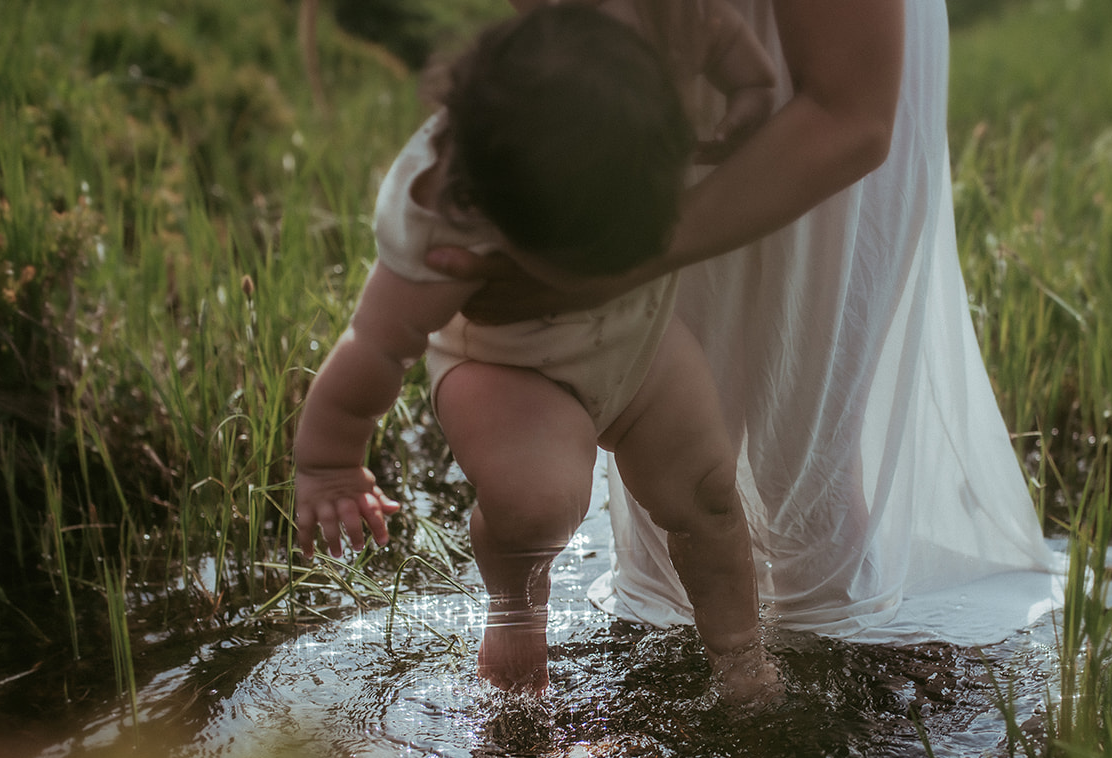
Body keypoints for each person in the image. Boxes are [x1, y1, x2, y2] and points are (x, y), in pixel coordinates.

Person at [427, 0, 1064, 648]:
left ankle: (816, 672)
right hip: (631, 94)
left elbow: (852, 117)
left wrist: (617, 256)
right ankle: (670, 658)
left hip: (831, 81)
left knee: (811, 452)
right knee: (666, 459)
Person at [293, 3, 784, 700]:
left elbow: (709, 26)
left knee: (706, 492)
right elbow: (374, 348)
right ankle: (517, 605)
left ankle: (743, 666)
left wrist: (753, 88)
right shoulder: (442, 211)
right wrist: (330, 464)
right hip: (505, 362)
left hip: (637, 339)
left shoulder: (644, 52)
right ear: (489, 210)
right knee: (539, 502)